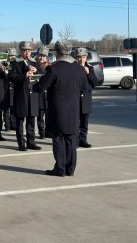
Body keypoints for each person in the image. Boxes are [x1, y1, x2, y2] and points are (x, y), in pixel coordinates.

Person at [38, 40, 87, 177]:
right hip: (73, 109)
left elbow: (42, 86)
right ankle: (70, 169)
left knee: (58, 138)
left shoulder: (54, 68)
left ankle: (60, 168)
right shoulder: (79, 68)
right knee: (71, 138)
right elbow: (85, 88)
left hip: (57, 109)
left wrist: (33, 85)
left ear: (57, 52)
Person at [8, 41, 42, 151]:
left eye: (28, 50)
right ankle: (21, 143)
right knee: (20, 121)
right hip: (21, 95)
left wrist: (36, 71)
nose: (26, 52)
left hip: (33, 95)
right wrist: (25, 75)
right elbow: (12, 77)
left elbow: (42, 76)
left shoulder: (35, 62)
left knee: (31, 120)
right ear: (20, 51)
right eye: (24, 50)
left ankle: (31, 142)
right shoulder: (15, 62)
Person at [75, 47, 99, 148]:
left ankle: (83, 139)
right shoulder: (72, 68)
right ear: (76, 58)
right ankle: (75, 140)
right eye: (79, 57)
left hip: (85, 98)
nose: (81, 59)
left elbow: (95, 82)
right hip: (75, 98)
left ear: (86, 58)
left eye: (83, 57)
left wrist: (88, 73)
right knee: (75, 121)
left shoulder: (90, 68)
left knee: (84, 121)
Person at [33, 46, 50, 139]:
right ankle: (41, 132)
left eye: (43, 56)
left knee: (49, 115)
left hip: (48, 94)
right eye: (39, 55)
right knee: (40, 115)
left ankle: (48, 131)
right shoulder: (34, 65)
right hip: (38, 93)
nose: (41, 58)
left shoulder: (50, 66)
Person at [3, 48, 17, 131]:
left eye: (13, 56)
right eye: (10, 56)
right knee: (6, 109)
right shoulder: (4, 64)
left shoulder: (16, 64)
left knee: (13, 108)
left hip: (14, 88)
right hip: (6, 88)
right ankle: (7, 125)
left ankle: (13, 124)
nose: (11, 57)